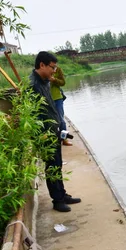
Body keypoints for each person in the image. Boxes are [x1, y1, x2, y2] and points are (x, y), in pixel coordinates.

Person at [29, 51, 81, 212]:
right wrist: (43, 133)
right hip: (44, 132)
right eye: (52, 67)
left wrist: (58, 129)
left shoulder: (45, 82)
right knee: (51, 165)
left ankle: (62, 194)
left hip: (53, 129)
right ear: (42, 65)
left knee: (57, 164)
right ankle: (57, 200)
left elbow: (50, 107)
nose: (54, 70)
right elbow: (33, 114)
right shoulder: (33, 85)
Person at [50, 64, 72, 146]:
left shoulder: (57, 69)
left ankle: (64, 139)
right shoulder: (42, 71)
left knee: (61, 120)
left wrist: (54, 80)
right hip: (47, 99)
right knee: (50, 121)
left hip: (58, 98)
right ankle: (53, 140)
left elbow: (63, 82)